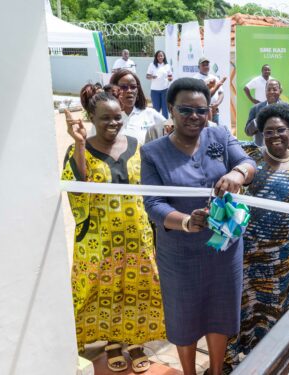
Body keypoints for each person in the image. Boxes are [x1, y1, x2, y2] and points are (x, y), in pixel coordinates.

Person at [141, 78, 257, 375]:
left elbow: (248, 162)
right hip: (180, 253)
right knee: (185, 316)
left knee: (220, 311)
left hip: (223, 249)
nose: (194, 117)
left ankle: (216, 370)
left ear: (209, 111)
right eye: (186, 110)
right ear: (170, 109)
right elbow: (154, 204)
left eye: (201, 110)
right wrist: (186, 223)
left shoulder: (218, 136)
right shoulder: (153, 153)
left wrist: (238, 173)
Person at [62, 92, 166, 373]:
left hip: (136, 235)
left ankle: (134, 342)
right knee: (105, 289)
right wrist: (81, 144)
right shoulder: (78, 149)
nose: (112, 122)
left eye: (117, 117)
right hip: (100, 239)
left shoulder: (136, 145)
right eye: (105, 118)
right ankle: (111, 341)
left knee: (137, 287)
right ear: (91, 119)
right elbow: (77, 189)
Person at [224, 103, 289, 371]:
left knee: (275, 314)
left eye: (281, 130)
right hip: (246, 256)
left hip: (282, 262)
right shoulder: (249, 158)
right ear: (261, 134)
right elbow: (220, 139)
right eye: (268, 132)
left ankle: (272, 363)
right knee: (243, 310)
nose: (275, 136)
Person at [89, 70, 166, 145]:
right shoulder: (102, 117)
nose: (129, 91)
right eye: (123, 87)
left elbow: (171, 128)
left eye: (133, 87)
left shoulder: (150, 113)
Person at [245, 79, 283, 147]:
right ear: (265, 91)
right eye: (268, 89)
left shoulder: (288, 108)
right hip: (262, 152)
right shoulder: (255, 109)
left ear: (280, 91)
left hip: (281, 152)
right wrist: (257, 121)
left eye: (274, 89)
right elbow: (248, 132)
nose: (271, 92)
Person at [194, 57, 227, 125]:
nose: (206, 66)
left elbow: (221, 93)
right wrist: (216, 87)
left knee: (215, 132)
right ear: (198, 67)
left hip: (215, 111)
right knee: (206, 132)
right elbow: (203, 95)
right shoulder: (195, 79)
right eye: (203, 65)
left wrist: (217, 103)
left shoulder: (214, 77)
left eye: (207, 65)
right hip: (203, 112)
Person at [146, 50, 174, 118]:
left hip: (165, 90)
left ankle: (165, 125)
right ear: (156, 57)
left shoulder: (167, 65)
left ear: (164, 57)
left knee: (165, 109)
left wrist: (170, 78)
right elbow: (147, 76)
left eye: (161, 56)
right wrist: (152, 77)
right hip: (155, 90)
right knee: (156, 109)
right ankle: (156, 125)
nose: (160, 57)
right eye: (158, 56)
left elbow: (170, 76)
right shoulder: (152, 65)